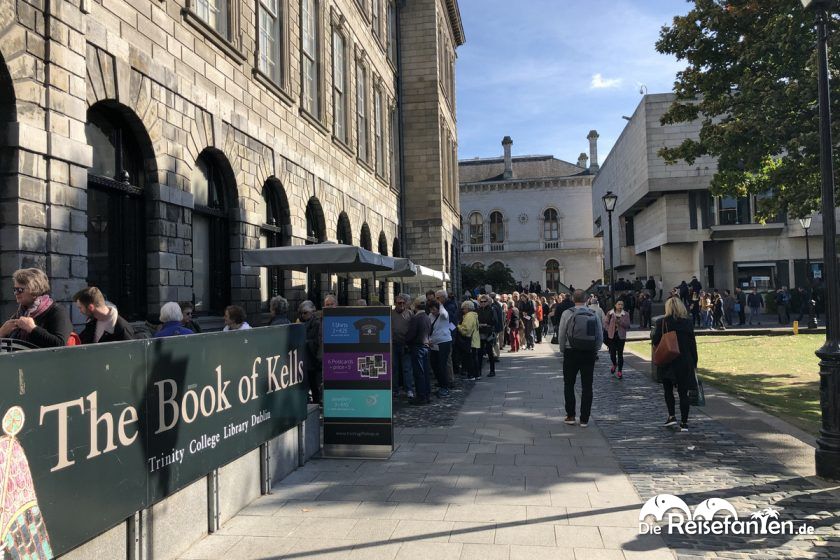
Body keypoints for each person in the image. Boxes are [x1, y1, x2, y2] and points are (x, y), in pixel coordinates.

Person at [557, 290, 603, 427]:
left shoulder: (567, 313)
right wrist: (596, 349)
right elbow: (600, 334)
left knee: (569, 384)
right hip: (588, 352)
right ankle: (584, 419)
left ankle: (570, 415)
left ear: (572, 299)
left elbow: (561, 333)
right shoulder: (593, 313)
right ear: (586, 299)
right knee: (587, 386)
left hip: (571, 351)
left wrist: (562, 349)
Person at [652, 297, 698, 432]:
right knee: (683, 393)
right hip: (684, 361)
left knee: (668, 391)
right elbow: (692, 345)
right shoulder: (688, 323)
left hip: (668, 360)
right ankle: (684, 422)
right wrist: (694, 362)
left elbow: (656, 341)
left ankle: (671, 416)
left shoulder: (663, 322)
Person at [0, 268, 72, 348]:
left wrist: (33, 329)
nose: (16, 293)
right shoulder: (21, 312)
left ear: (34, 290)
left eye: (19, 290)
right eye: (14, 289)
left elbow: (60, 343)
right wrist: (2, 332)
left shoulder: (56, 311)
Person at [405, 297, 432, 404]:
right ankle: (427, 395)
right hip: (425, 347)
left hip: (417, 347)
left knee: (419, 373)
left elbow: (411, 335)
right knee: (425, 372)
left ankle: (421, 397)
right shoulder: (427, 317)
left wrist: (405, 340)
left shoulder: (416, 318)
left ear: (415, 306)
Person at [391, 294, 415, 398]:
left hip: (406, 345)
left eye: (403, 303)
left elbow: (413, 329)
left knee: (407, 368)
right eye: (399, 303)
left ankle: (409, 389)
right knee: (394, 368)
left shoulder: (410, 313)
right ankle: (395, 389)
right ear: (395, 303)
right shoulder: (390, 313)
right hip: (393, 344)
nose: (401, 305)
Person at [299, 300, 322, 404]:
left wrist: (304, 342)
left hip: (312, 359)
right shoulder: (304, 323)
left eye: (305, 312)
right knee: (310, 383)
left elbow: (316, 341)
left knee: (313, 384)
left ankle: (316, 404)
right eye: (301, 313)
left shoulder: (316, 323)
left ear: (312, 311)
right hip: (307, 358)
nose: (303, 315)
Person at [428, 299, 452, 396]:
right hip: (434, 343)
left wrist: (440, 304)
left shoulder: (443, 315)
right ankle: (441, 384)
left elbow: (443, 313)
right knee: (434, 365)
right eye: (431, 309)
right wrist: (429, 339)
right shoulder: (430, 316)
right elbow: (429, 328)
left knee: (442, 365)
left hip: (444, 342)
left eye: (434, 309)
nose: (432, 311)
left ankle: (445, 387)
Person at [604, 300, 631, 379]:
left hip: (621, 336)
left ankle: (620, 371)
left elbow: (627, 325)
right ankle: (614, 364)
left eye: (622, 304)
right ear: (615, 305)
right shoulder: (610, 313)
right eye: (619, 304)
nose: (620, 306)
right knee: (612, 353)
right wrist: (608, 329)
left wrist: (620, 322)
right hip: (612, 335)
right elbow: (605, 323)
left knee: (620, 354)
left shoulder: (626, 314)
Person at [457, 300, 481, 380]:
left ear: (467, 308)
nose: (462, 311)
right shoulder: (473, 315)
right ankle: (476, 374)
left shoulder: (469, 316)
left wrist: (458, 326)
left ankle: (472, 375)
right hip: (475, 340)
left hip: (470, 341)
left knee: (470, 359)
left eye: (463, 309)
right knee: (474, 358)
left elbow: (466, 330)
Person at [477, 294, 498, 377]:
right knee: (480, 353)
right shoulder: (478, 310)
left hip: (488, 333)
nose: (482, 303)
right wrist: (479, 325)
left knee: (490, 352)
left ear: (488, 302)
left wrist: (487, 324)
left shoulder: (492, 309)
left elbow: (495, 321)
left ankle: (492, 371)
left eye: (484, 301)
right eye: (481, 301)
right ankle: (479, 371)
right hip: (480, 332)